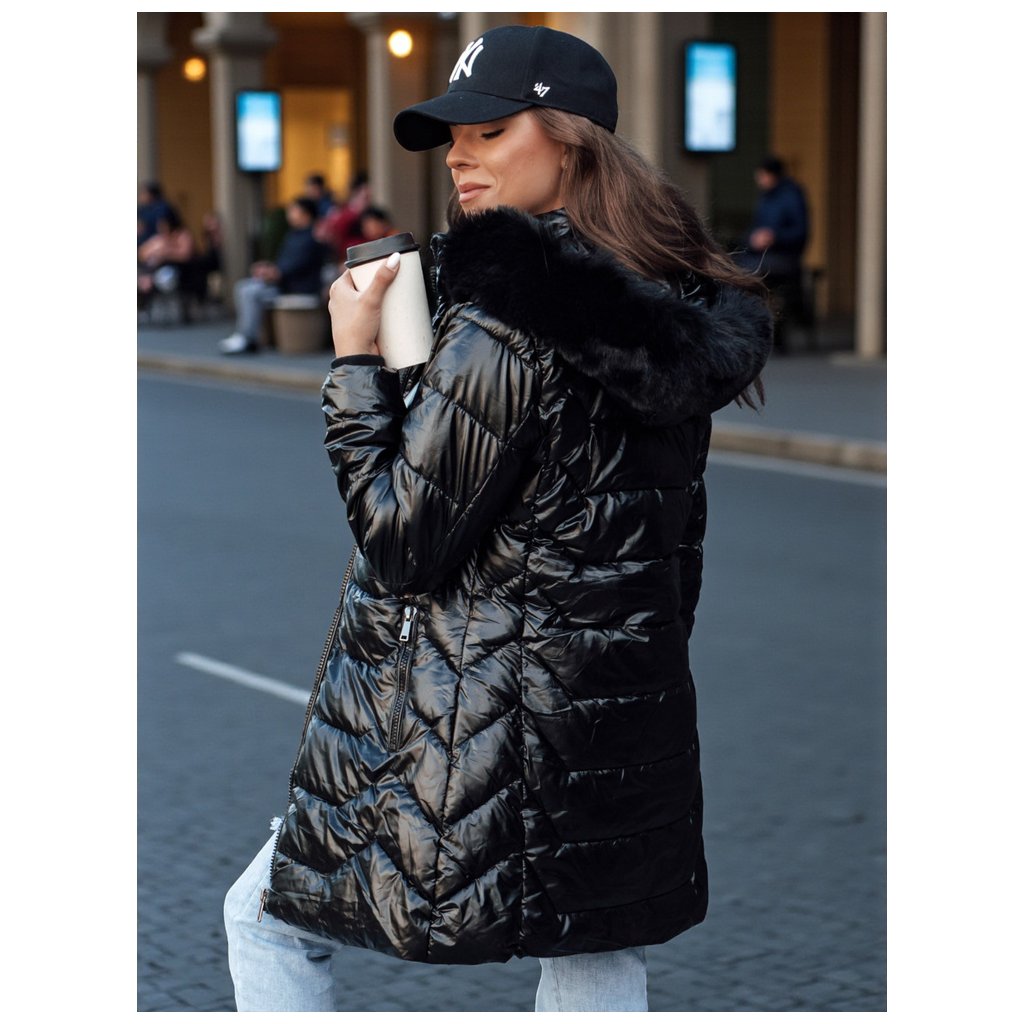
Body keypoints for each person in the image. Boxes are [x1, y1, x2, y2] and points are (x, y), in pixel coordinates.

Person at [223, 24, 772, 1012]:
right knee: (596, 952)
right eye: (452, 137)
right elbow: (651, 542)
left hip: (480, 715)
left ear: (570, 141)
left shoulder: (507, 316)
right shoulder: (666, 303)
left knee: (262, 917)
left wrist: (355, 361)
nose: (459, 155)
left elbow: (401, 539)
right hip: (615, 706)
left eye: (490, 130)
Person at [218, 197, 328, 355]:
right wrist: (267, 268)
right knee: (244, 286)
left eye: (294, 210)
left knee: (250, 291)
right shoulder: (293, 234)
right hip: (284, 285)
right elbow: (283, 263)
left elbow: (294, 267)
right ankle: (245, 335)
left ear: (306, 214)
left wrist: (272, 272)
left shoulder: (313, 237)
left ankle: (247, 338)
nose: (289, 214)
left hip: (298, 288)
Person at [741, 156, 810, 350]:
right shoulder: (766, 197)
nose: (759, 179)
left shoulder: (792, 196)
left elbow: (801, 232)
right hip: (761, 256)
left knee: (749, 273)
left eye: (762, 175)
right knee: (735, 268)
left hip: (783, 258)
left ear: (772, 175)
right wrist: (753, 239)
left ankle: (766, 329)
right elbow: (754, 228)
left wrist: (774, 237)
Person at [316, 171, 372, 259]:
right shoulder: (343, 212)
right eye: (366, 197)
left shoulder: (369, 214)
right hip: (348, 254)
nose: (368, 200)